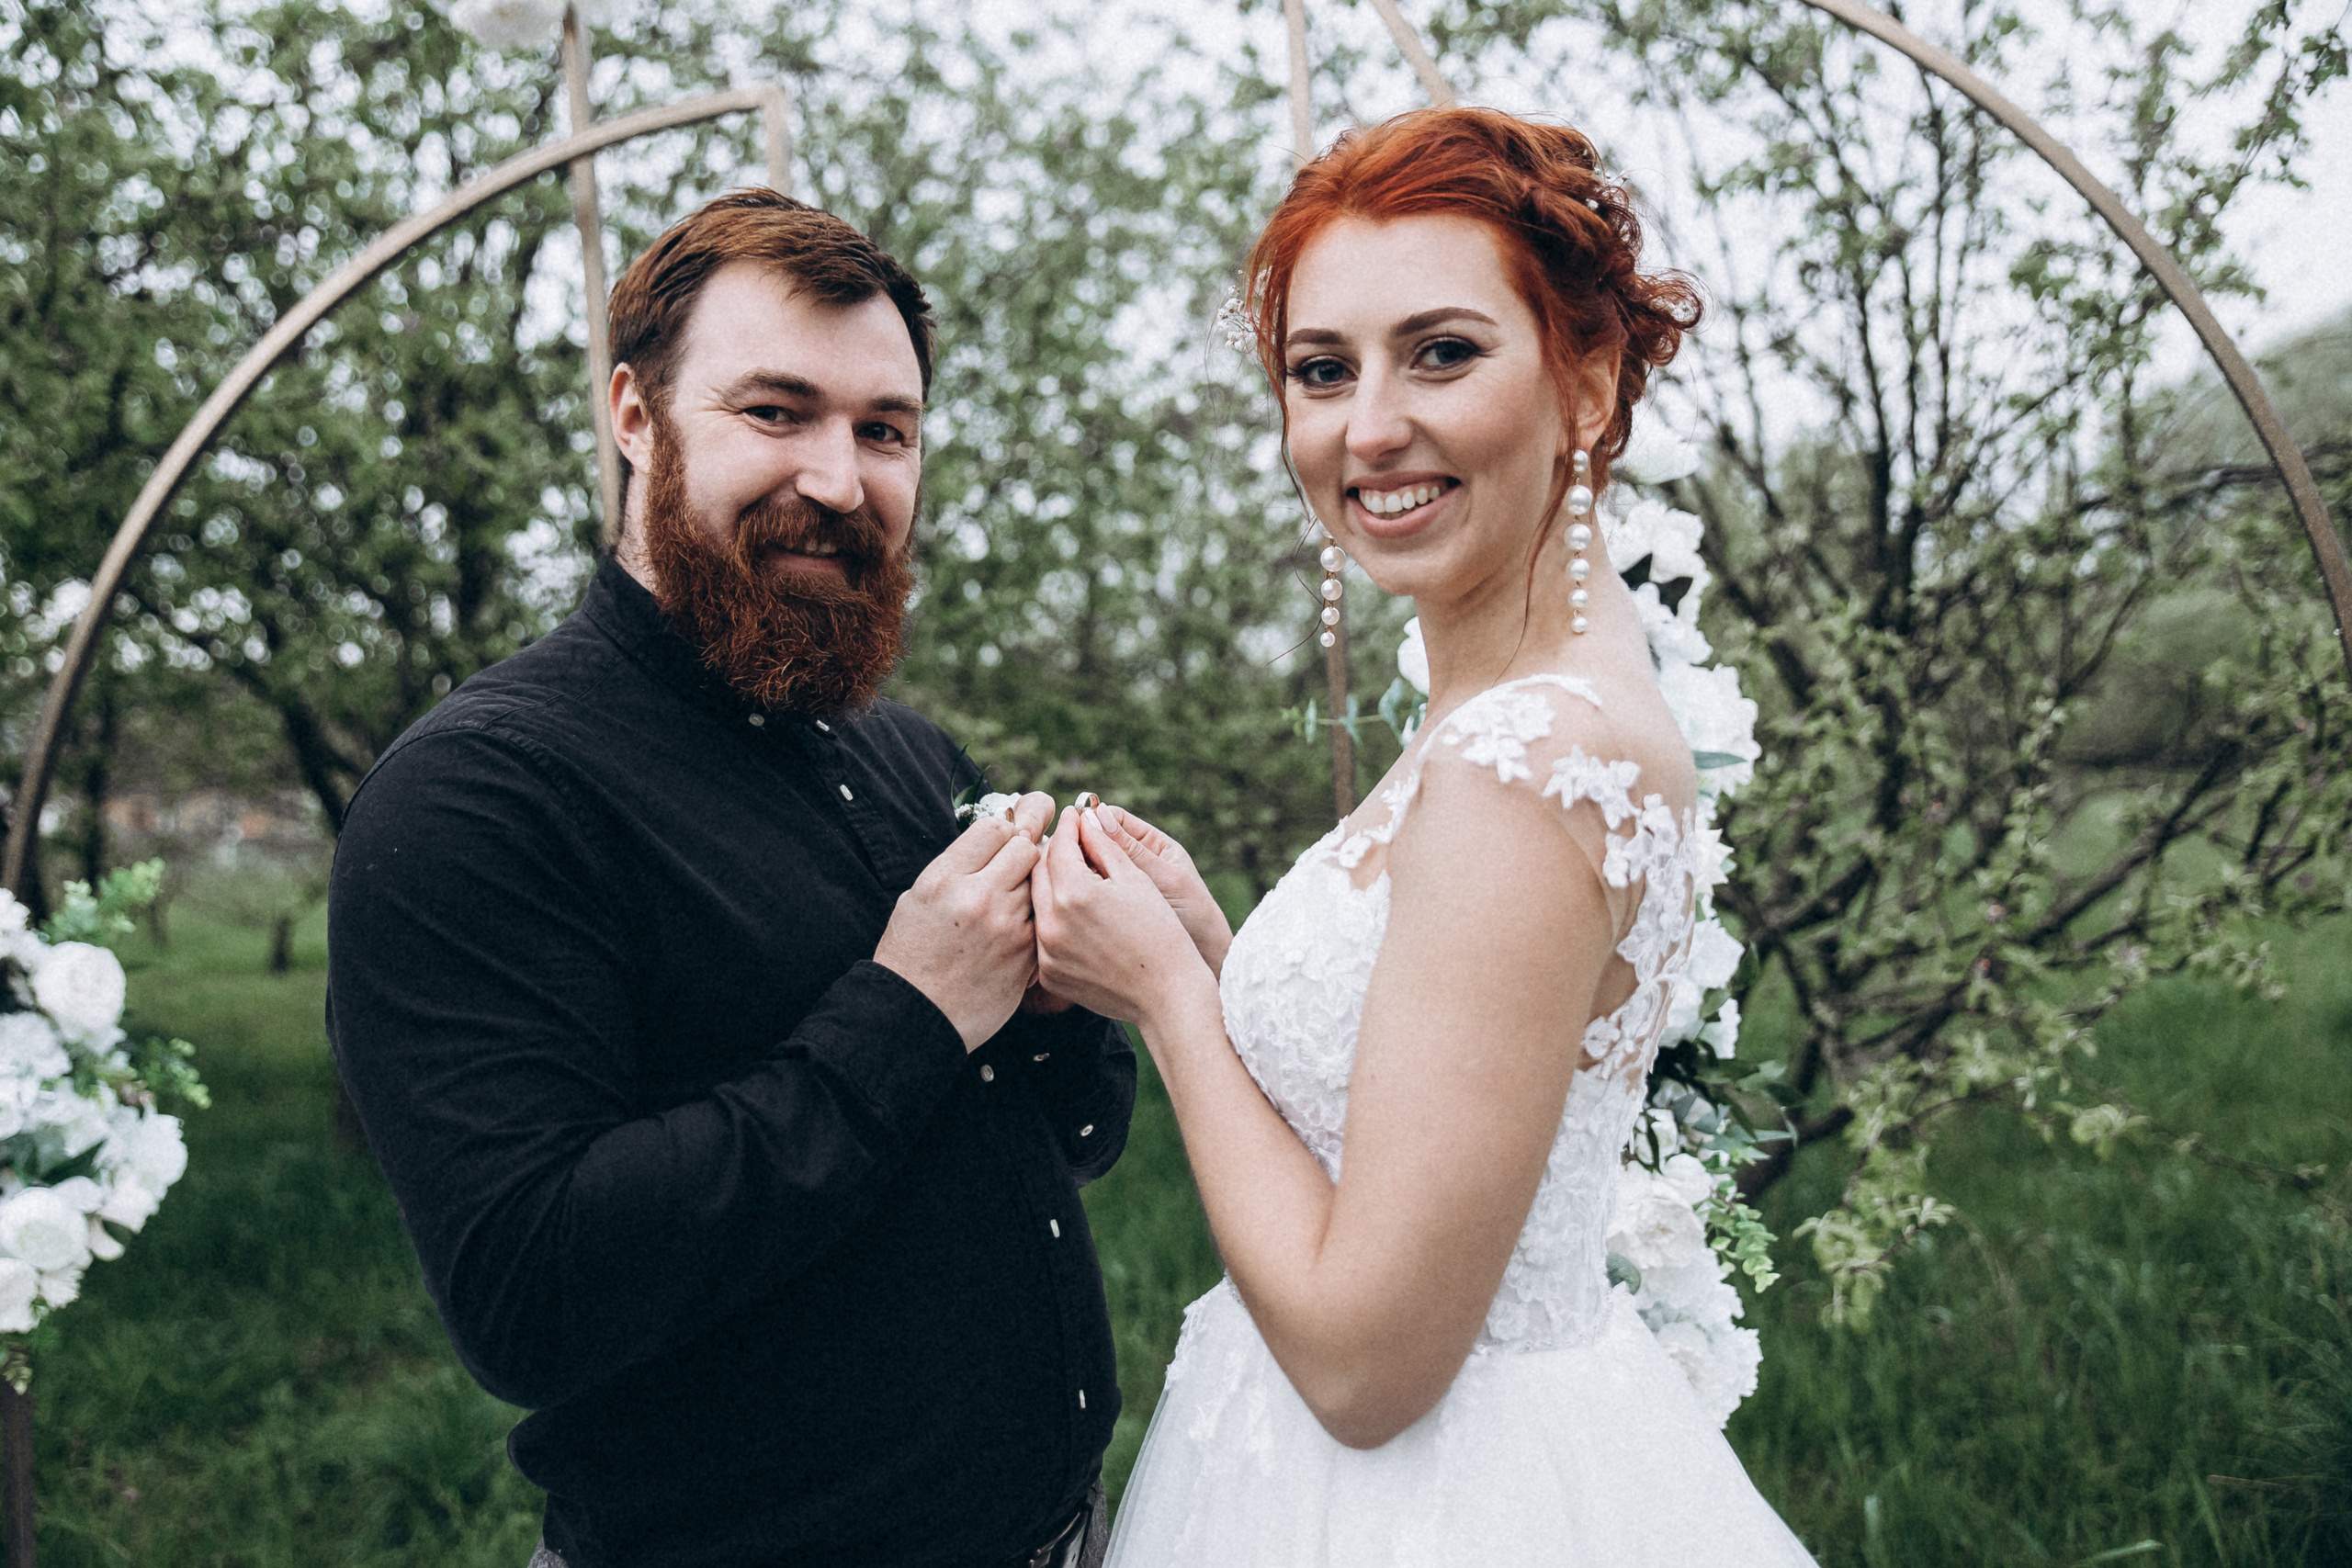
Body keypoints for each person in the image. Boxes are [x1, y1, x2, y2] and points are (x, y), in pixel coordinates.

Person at [1030, 108, 1820, 1562]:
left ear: (1586, 384)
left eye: (1441, 353)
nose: (1368, 426)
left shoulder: (1529, 761)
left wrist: (1167, 999)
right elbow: (1400, 1109)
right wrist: (1209, 937)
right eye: (1320, 371)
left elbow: (1366, 1365)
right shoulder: (1527, 709)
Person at [326, 191, 1132, 1568]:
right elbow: (529, 1292)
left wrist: (1063, 1005)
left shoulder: (905, 749)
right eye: (777, 412)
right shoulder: (480, 796)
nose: (839, 476)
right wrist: (911, 1012)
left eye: (885, 430)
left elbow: (1068, 1140)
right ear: (636, 418)